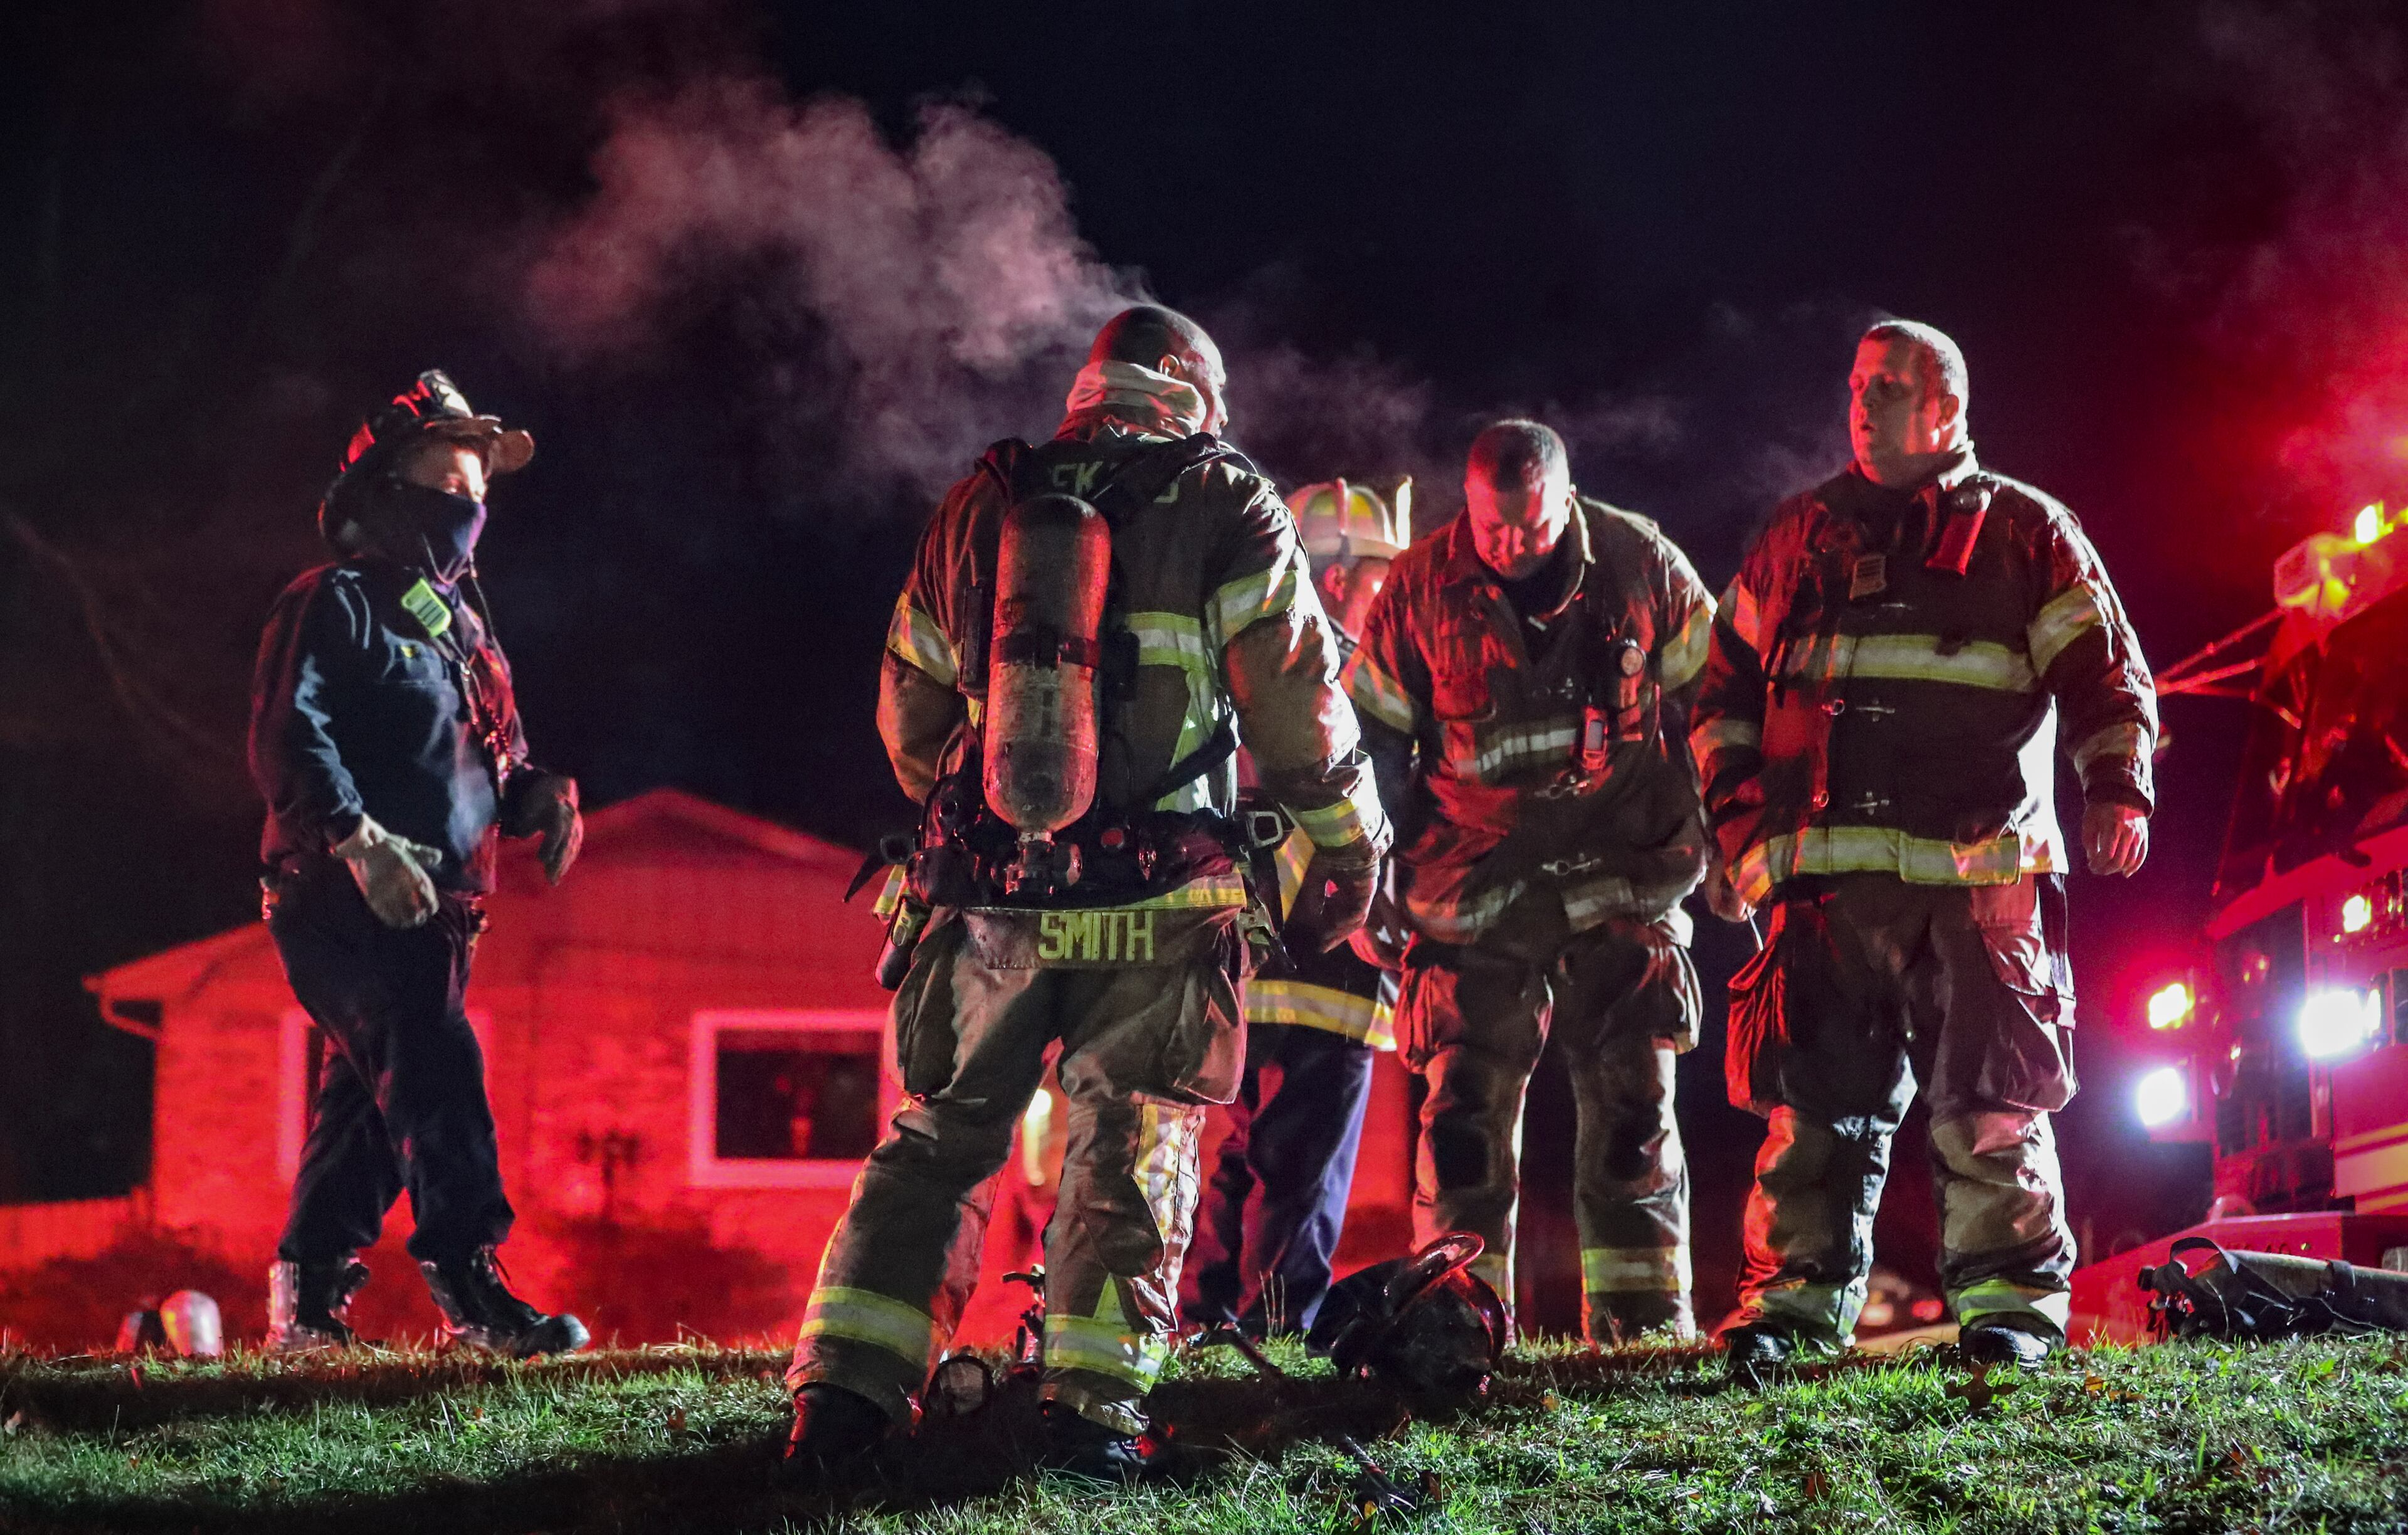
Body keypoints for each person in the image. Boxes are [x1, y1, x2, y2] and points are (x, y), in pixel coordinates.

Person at [786, 307, 1388, 1477]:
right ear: (1189, 391)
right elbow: (1299, 706)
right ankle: (1090, 1419)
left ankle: (844, 1402)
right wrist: (1351, 851)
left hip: (988, 894)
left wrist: (992, 818)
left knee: (942, 1142)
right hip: (1162, 902)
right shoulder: (1223, 495)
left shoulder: (978, 503)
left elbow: (908, 712)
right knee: (1133, 1140)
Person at [1692, 320, 2156, 1377]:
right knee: (1809, 1115)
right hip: (1822, 888)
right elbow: (1720, 695)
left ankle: (2011, 1320)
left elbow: (2108, 680)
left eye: (1892, 385)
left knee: (1992, 1107)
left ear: (1948, 408)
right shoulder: (1797, 535)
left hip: (1978, 884)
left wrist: (2118, 790)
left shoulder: (2029, 533)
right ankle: (1787, 1319)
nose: (1865, 402)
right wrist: (1737, 832)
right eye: (1858, 383)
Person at [1343, 420, 1716, 1342]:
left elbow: (1722, 701)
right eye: (1491, 529)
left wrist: (1734, 835)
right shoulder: (1418, 588)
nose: (1511, 548)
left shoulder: (1642, 563)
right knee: (1460, 1124)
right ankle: (1454, 1338)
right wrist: (1365, 880)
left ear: (1569, 500)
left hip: (1623, 873)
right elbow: (1372, 746)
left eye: (1533, 528)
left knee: (1635, 1114)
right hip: (1472, 889)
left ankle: (1644, 1336)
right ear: (1466, 508)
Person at [250, 370, 588, 1357]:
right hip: (339, 895)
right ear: (387, 491)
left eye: (479, 490)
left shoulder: (464, 632)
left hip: (442, 911)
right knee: (435, 1063)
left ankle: (306, 1312)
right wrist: (358, 840)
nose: (469, 506)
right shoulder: (332, 602)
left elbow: (500, 754)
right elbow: (286, 738)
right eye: (449, 481)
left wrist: (541, 795)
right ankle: (475, 1293)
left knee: (367, 1101)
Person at [1182, 478, 1410, 1339]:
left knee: (1226, 1161)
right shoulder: (1353, 673)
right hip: (1333, 961)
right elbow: (1387, 810)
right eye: (1379, 572)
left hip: (1232, 959)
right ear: (1342, 573)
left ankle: (1205, 1330)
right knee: (1304, 1173)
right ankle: (1277, 1335)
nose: (1387, 590)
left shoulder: (1236, 660)